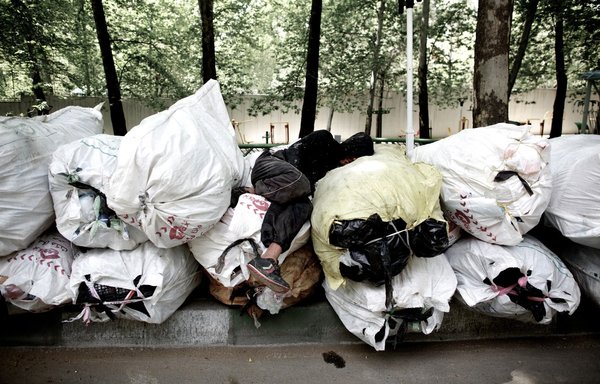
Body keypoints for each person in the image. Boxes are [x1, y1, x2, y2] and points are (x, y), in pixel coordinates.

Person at [246, 130, 374, 293]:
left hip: (288, 188)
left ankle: (268, 259)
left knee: (304, 206)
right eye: (353, 156)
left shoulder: (333, 172)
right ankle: (253, 190)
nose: (349, 162)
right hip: (270, 166)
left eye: (355, 161)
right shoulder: (324, 139)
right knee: (302, 184)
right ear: (349, 148)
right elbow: (294, 158)